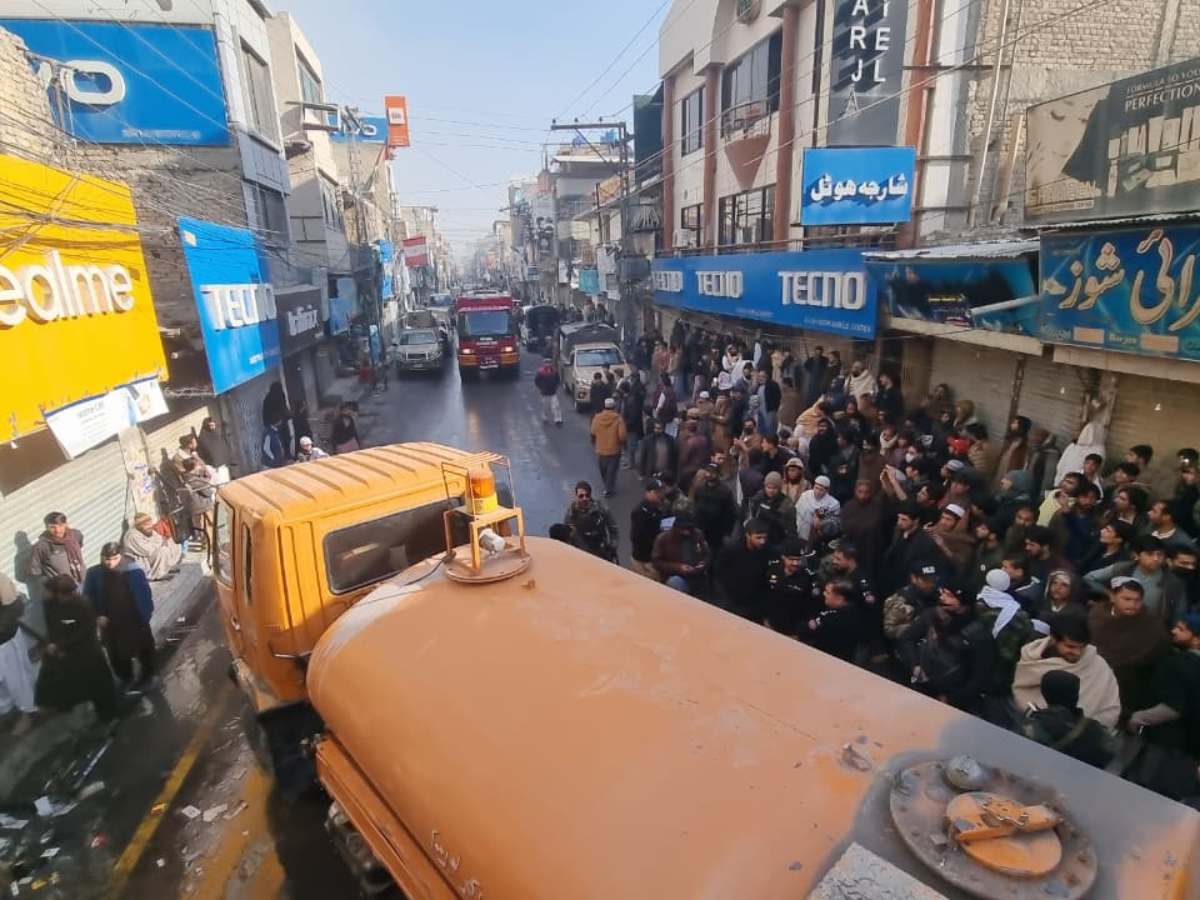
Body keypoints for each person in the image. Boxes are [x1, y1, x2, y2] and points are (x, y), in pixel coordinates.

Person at [1011, 613, 1122, 729]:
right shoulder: (1031, 660)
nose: (1077, 653)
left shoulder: (1098, 666)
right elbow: (1019, 691)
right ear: (1053, 639)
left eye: (1081, 647)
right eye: (1071, 647)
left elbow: (1110, 709)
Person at [897, 584, 996, 712]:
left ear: (964, 604)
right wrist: (915, 664)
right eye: (943, 593)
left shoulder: (978, 635)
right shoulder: (931, 615)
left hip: (952, 701)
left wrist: (951, 699)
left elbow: (980, 677)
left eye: (950, 596)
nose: (943, 598)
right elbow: (907, 638)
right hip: (922, 687)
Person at [35, 574, 116, 721]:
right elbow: (52, 627)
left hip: (87, 654)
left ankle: (108, 717)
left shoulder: (81, 604)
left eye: (45, 591)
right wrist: (48, 645)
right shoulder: (50, 605)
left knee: (99, 687)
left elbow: (85, 631)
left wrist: (59, 645)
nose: (41, 594)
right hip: (67, 656)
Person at [1089, 578, 1172, 713]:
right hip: (1093, 674)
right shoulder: (1097, 614)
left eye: (1137, 600)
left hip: (1131, 683)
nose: (1133, 604)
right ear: (1113, 597)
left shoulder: (1151, 623)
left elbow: (1157, 651)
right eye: (1127, 599)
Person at [83, 543, 158, 692]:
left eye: (114, 558)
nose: (110, 562)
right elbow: (88, 597)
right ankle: (126, 678)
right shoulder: (94, 573)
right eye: (106, 559)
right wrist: (97, 616)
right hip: (110, 622)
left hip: (135, 619)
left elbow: (145, 593)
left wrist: (146, 613)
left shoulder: (133, 570)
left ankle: (148, 677)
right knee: (116, 653)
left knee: (144, 649)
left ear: (121, 556)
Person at [1018, 671, 1118, 769]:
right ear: (1075, 694)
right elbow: (1112, 755)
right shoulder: (1097, 730)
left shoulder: (1034, 725)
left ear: (1045, 693)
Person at [1085, 535, 1187, 628]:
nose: (1156, 559)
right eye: (1150, 554)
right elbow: (1089, 578)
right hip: (1117, 622)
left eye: (1160, 555)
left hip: (1150, 629)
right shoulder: (1122, 569)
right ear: (1137, 555)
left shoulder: (1173, 582)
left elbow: (1179, 613)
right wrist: (1109, 595)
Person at [880, 501, 946, 596]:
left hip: (909, 587)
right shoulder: (898, 531)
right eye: (899, 518)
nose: (899, 522)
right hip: (892, 582)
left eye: (904, 519)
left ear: (916, 520)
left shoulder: (925, 542)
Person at [715, 518, 773, 620]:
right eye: (758, 538)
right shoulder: (731, 551)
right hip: (733, 604)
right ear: (747, 535)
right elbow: (719, 575)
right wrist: (726, 602)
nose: (762, 541)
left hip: (755, 606)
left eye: (764, 538)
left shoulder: (768, 552)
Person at [0, 572, 36, 735]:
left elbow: (15, 607)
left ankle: (29, 712)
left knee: (17, 679)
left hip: (5, 642)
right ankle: (9, 711)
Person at [764, 539, 816, 637]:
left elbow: (808, 606)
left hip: (792, 630)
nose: (796, 563)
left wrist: (798, 633)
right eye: (792, 559)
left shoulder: (806, 577)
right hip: (770, 624)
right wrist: (765, 620)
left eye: (798, 559)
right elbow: (764, 596)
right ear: (783, 557)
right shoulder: (772, 569)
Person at [803, 581, 864, 663]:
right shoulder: (856, 611)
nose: (824, 594)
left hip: (825, 659)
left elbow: (806, 631)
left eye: (828, 593)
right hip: (847, 659)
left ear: (839, 599)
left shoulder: (830, 618)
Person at [651, 511, 711, 595]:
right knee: (675, 582)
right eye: (683, 529)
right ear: (677, 527)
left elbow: (707, 554)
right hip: (676, 576)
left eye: (689, 528)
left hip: (697, 575)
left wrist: (703, 564)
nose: (686, 532)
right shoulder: (663, 539)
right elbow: (656, 562)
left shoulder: (698, 534)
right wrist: (678, 567)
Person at [690, 463, 738, 565]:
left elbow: (731, 514)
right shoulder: (700, 488)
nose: (709, 475)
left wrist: (727, 532)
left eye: (712, 473)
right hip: (701, 527)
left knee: (713, 557)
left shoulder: (725, 492)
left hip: (716, 531)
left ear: (718, 474)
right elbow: (696, 503)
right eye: (708, 472)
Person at [563, 481, 619, 563]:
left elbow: (613, 529)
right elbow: (567, 533)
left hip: (601, 550)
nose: (584, 498)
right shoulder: (572, 513)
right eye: (581, 496)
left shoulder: (601, 508)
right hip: (582, 554)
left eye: (587, 495)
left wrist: (612, 547)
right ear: (576, 496)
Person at [122, 512, 183, 581]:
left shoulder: (148, 530)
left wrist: (163, 542)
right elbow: (147, 550)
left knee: (174, 542)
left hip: (152, 554)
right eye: (146, 525)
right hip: (142, 560)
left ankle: (166, 568)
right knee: (162, 550)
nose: (150, 526)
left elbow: (159, 538)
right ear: (139, 526)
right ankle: (159, 575)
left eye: (150, 523)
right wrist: (161, 544)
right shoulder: (132, 536)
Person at [29, 512, 85, 586]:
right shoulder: (41, 546)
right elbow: (35, 570)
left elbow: (79, 546)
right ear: (46, 527)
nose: (57, 530)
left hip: (82, 579)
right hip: (61, 588)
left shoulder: (76, 534)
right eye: (52, 527)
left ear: (66, 524)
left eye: (60, 525)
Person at [747, 472, 798, 546]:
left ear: (779, 488)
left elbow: (791, 528)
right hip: (759, 538)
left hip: (777, 540)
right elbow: (751, 516)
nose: (771, 491)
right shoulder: (758, 497)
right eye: (768, 487)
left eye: (774, 488)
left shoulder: (786, 504)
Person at [590, 397, 627, 498]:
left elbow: (593, 431)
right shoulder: (618, 419)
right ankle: (609, 488)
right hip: (614, 449)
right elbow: (622, 435)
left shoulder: (597, 418)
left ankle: (607, 485)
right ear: (614, 407)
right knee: (612, 470)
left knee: (604, 469)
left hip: (601, 449)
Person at [629, 478, 665, 581]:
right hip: (644, 561)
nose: (660, 494)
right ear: (648, 492)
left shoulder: (656, 507)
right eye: (656, 492)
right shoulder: (640, 512)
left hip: (653, 557)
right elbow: (637, 538)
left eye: (660, 492)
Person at [794, 475, 840, 545]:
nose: (817, 491)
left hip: (819, 537)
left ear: (827, 490)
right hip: (801, 531)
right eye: (816, 488)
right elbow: (797, 511)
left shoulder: (833, 504)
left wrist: (821, 522)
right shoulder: (805, 496)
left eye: (821, 490)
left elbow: (834, 522)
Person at [181, 457, 216, 540]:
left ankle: (206, 545)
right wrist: (206, 482)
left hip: (194, 509)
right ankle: (213, 548)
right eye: (197, 466)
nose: (199, 467)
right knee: (209, 527)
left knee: (202, 528)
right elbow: (208, 492)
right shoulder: (195, 481)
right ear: (193, 468)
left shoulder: (185, 478)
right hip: (203, 507)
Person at [196, 417, 233, 484]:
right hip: (213, 470)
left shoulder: (217, 434)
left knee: (227, 485)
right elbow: (201, 454)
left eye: (213, 425)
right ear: (206, 426)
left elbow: (223, 448)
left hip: (224, 468)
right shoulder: (202, 439)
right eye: (210, 425)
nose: (212, 427)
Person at [262, 381, 292, 460]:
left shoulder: (281, 394)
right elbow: (267, 414)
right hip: (273, 423)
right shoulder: (268, 399)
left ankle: (287, 454)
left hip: (281, 420)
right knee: (278, 441)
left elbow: (283, 407)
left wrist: (287, 414)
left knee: (287, 438)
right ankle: (279, 458)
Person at [534, 357, 563, 426]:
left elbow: (558, 380)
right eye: (546, 363)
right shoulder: (540, 372)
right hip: (544, 393)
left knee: (556, 406)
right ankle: (545, 418)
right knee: (545, 407)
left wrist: (555, 387)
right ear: (544, 364)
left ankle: (558, 420)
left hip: (553, 392)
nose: (548, 364)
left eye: (549, 363)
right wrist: (541, 388)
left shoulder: (554, 371)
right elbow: (537, 381)